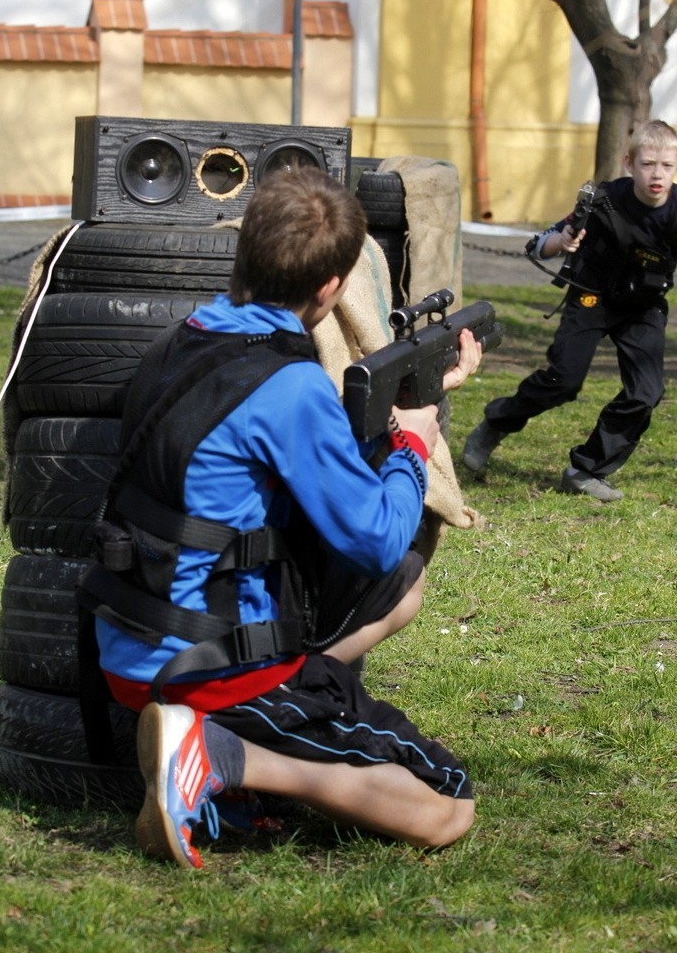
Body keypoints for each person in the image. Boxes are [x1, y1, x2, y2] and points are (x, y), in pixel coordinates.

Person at [79, 165, 481, 869]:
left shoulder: (182, 339)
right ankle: (224, 757)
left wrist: (415, 391)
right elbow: (378, 538)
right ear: (330, 288)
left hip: (128, 640)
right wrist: (416, 433)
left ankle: (229, 739)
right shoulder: (292, 385)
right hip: (209, 669)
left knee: (407, 588)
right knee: (447, 806)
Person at [462, 119, 677, 501]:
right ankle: (496, 423)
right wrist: (561, 242)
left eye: (666, 166)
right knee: (564, 381)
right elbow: (538, 245)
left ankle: (586, 470)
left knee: (646, 393)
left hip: (643, 308)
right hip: (591, 297)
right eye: (648, 164)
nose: (657, 174)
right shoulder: (603, 201)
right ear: (629, 162)